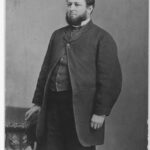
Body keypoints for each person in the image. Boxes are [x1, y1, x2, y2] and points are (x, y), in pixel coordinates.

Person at [25, 0, 122, 149]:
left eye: (77, 4)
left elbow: (110, 80)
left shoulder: (102, 38)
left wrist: (101, 112)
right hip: (52, 109)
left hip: (82, 113)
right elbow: (45, 71)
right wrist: (37, 102)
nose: (71, 8)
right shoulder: (57, 35)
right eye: (69, 4)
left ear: (90, 8)